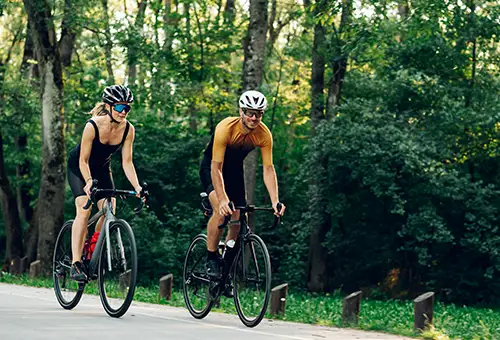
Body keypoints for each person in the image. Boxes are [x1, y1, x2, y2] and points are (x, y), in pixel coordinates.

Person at [199, 90, 286, 291]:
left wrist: (275, 201)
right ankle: (211, 257)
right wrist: (221, 199)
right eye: (249, 112)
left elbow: (268, 169)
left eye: (259, 113)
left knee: (238, 222)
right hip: (211, 168)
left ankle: (225, 272)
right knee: (220, 213)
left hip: (234, 172)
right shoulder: (225, 128)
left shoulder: (263, 134)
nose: (254, 117)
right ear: (241, 111)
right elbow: (216, 168)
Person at [67, 85, 143, 281]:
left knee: (110, 208)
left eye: (127, 108)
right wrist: (89, 181)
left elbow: (127, 162)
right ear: (109, 106)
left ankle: (91, 251)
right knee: (84, 210)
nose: (124, 112)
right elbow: (83, 161)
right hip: (79, 168)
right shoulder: (92, 126)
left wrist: (137, 187)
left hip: (102, 170)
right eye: (119, 107)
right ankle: (75, 263)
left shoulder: (128, 129)